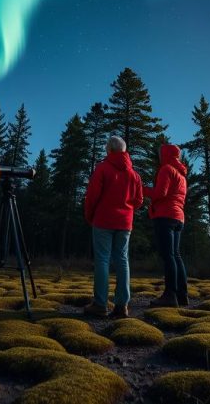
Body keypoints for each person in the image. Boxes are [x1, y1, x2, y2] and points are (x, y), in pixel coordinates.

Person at [83, 135, 143, 319]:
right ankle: (122, 306)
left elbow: (92, 196)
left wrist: (89, 215)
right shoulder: (134, 175)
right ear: (124, 151)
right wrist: (126, 208)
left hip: (103, 221)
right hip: (125, 223)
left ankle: (100, 304)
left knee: (102, 260)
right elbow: (139, 201)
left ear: (109, 150)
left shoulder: (102, 168)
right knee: (122, 260)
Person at [144, 143, 189, 307]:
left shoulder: (166, 169)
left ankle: (170, 295)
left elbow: (160, 193)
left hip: (165, 216)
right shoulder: (182, 175)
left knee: (168, 256)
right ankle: (182, 295)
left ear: (165, 154)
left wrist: (142, 189)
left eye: (160, 153)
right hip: (179, 217)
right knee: (176, 255)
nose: (159, 156)